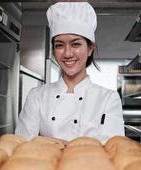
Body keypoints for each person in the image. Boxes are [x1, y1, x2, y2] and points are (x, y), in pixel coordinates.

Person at [15, 2, 124, 143]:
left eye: (76, 44)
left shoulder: (108, 99)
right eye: (59, 45)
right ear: (53, 51)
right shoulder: (37, 96)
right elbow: (22, 146)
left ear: (90, 48)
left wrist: (46, 142)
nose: (67, 53)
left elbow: (113, 149)